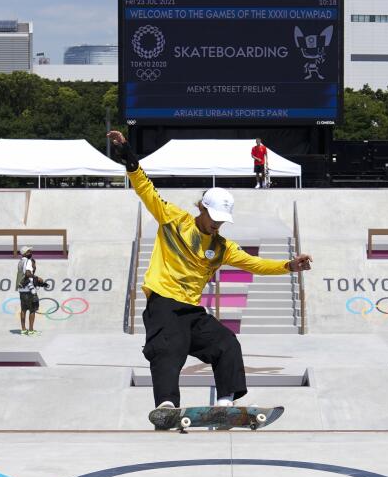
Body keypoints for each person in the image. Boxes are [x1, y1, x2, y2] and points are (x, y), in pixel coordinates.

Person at [107, 130, 312, 414]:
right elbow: (146, 190)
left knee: (226, 343)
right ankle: (166, 406)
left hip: (192, 311)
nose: (217, 225)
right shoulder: (174, 220)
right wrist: (129, 157)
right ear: (202, 208)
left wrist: (289, 265)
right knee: (169, 349)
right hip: (164, 304)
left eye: (221, 221)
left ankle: (224, 404)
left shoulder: (222, 246)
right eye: (213, 218)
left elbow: (255, 264)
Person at [18, 269, 42, 335]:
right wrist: (36, 277)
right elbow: (27, 273)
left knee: (23, 310)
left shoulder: (20, 272)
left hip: (22, 293)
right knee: (32, 310)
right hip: (29, 294)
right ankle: (31, 331)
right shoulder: (29, 263)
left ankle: (23, 330)